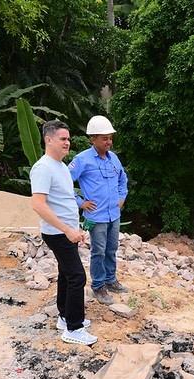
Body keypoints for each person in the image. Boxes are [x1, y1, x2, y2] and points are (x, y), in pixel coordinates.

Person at [30, 120, 97, 346]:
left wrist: (75, 228)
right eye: (63, 139)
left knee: (67, 274)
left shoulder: (60, 166)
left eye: (68, 139)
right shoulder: (43, 168)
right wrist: (67, 230)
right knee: (77, 276)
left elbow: (65, 201)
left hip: (68, 232)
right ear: (49, 140)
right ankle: (74, 328)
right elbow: (38, 204)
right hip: (58, 233)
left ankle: (64, 316)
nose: (67, 143)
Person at [68, 115, 128, 306]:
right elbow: (63, 182)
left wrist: (121, 198)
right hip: (96, 216)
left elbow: (122, 180)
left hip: (114, 214)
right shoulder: (82, 160)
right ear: (92, 139)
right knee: (98, 251)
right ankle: (99, 286)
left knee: (112, 249)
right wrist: (80, 202)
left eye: (110, 138)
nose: (108, 142)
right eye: (104, 138)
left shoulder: (114, 159)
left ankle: (111, 280)